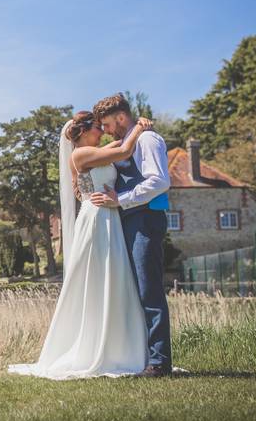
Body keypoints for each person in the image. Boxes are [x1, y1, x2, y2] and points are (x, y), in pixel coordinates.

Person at [8, 111, 152, 380]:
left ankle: (121, 346)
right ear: (84, 131)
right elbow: (123, 151)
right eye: (98, 127)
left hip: (107, 213)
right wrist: (140, 127)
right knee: (101, 274)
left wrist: (128, 132)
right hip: (97, 217)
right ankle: (96, 347)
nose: (102, 131)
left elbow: (118, 146)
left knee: (115, 275)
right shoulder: (80, 155)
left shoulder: (93, 150)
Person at [91, 93, 172, 377]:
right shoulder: (127, 143)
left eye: (107, 124)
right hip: (129, 221)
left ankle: (160, 362)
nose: (105, 131)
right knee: (134, 290)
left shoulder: (148, 140)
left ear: (121, 117)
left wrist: (121, 199)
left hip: (146, 220)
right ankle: (142, 356)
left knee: (149, 290)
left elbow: (159, 181)